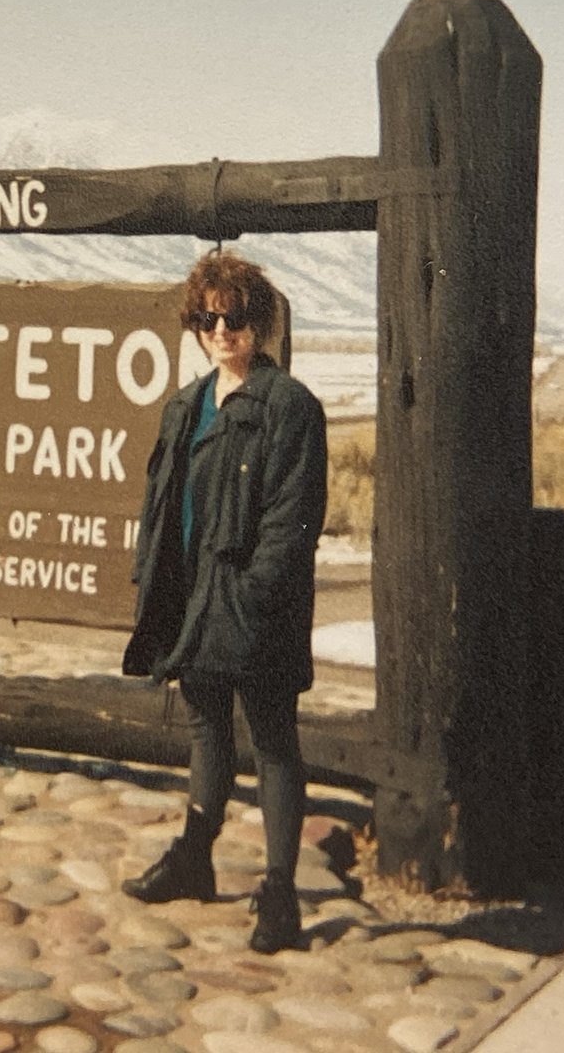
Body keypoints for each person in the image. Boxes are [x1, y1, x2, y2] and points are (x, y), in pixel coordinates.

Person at [120, 249, 328, 954]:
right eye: (208, 318)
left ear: (259, 322)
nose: (221, 331)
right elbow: (163, 505)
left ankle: (279, 892)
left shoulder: (289, 407)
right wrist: (154, 579)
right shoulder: (186, 406)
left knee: (272, 739)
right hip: (190, 597)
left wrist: (255, 592)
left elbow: (293, 517)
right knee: (206, 726)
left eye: (235, 318)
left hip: (251, 601)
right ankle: (194, 857)